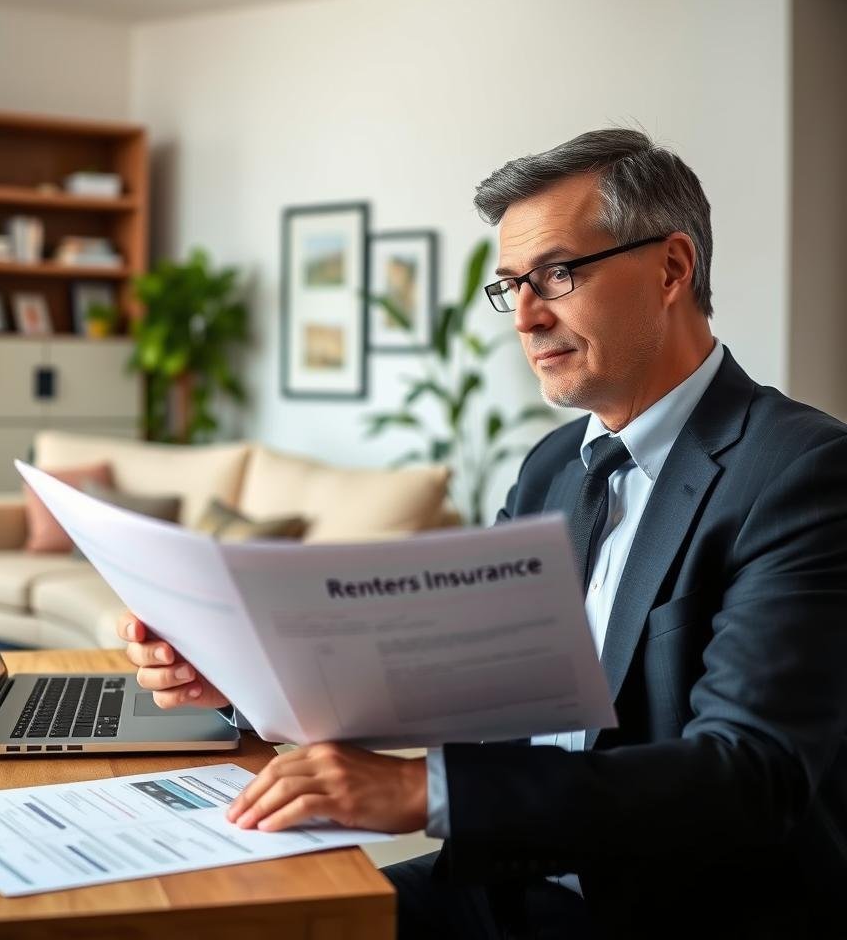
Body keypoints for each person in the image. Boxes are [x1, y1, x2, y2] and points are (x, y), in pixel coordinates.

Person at [117, 129, 847, 938]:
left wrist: (422, 791)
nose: (527, 317)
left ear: (672, 268)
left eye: (558, 275)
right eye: (512, 287)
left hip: (669, 912)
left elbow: (749, 777)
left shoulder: (801, 472)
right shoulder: (554, 468)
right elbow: (451, 673)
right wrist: (250, 682)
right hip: (510, 879)